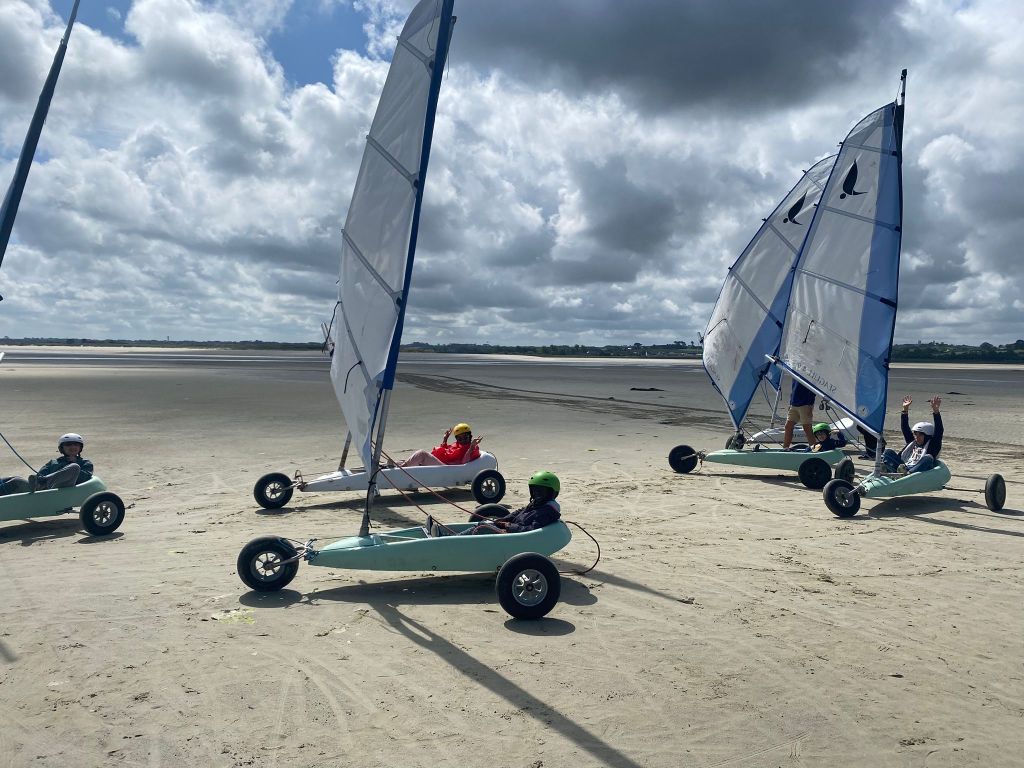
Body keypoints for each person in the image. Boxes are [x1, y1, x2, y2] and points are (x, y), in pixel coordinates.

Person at [460, 471, 562, 535]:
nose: (536, 493)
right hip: (512, 530)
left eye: (541, 491)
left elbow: (531, 530)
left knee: (481, 528)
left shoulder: (547, 511)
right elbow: (519, 512)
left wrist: (508, 526)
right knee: (483, 524)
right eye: (534, 490)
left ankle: (452, 538)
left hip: (515, 536)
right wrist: (504, 519)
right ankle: (452, 536)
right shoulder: (538, 503)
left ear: (551, 493)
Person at [0, 433, 93, 496]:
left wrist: (73, 462)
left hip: (62, 489)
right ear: (62, 448)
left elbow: (84, 478)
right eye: (68, 444)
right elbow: (39, 476)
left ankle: (46, 481)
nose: (73, 447)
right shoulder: (53, 462)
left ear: (80, 448)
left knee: (74, 467)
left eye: (76, 444)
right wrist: (40, 481)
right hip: (42, 490)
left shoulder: (85, 463)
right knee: (15, 479)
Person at [879, 395, 943, 474]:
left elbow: (939, 430)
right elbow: (905, 428)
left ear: (927, 436)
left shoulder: (932, 445)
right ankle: (887, 469)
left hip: (916, 470)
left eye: (920, 435)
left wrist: (936, 411)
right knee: (888, 451)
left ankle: (907, 473)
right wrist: (905, 409)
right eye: (916, 434)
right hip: (902, 467)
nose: (917, 437)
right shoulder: (912, 442)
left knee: (928, 458)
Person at [400, 423, 482, 467]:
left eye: (465, 436)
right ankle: (395, 466)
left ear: (470, 435)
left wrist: (471, 447)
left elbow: (464, 462)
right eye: (460, 438)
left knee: (421, 454)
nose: (463, 439)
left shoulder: (474, 448)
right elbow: (445, 451)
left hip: (447, 468)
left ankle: (401, 469)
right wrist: (445, 439)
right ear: (457, 439)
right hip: (441, 462)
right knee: (403, 461)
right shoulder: (457, 444)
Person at [782, 380, 815, 450]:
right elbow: (793, 389)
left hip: (805, 404)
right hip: (793, 404)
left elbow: (813, 389)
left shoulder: (807, 373)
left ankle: (814, 449)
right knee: (788, 426)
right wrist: (790, 403)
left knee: (807, 428)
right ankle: (785, 448)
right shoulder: (795, 373)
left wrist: (810, 405)